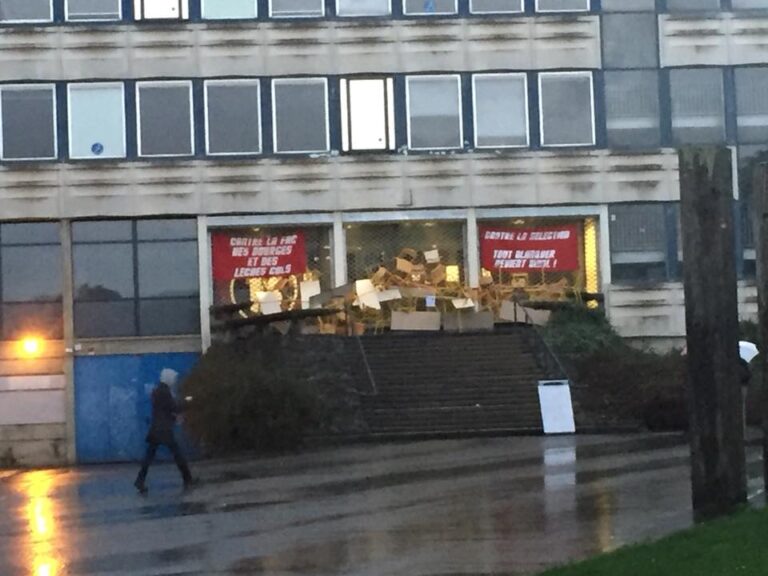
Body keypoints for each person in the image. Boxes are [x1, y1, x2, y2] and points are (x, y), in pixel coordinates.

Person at [134, 368, 195, 494]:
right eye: (173, 378)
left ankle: (140, 480)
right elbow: (173, 407)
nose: (174, 380)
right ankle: (188, 479)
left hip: (156, 428)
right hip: (164, 430)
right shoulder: (164, 392)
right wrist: (188, 402)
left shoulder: (158, 390)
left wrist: (173, 416)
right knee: (177, 453)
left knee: (149, 456)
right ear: (168, 378)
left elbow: (163, 410)